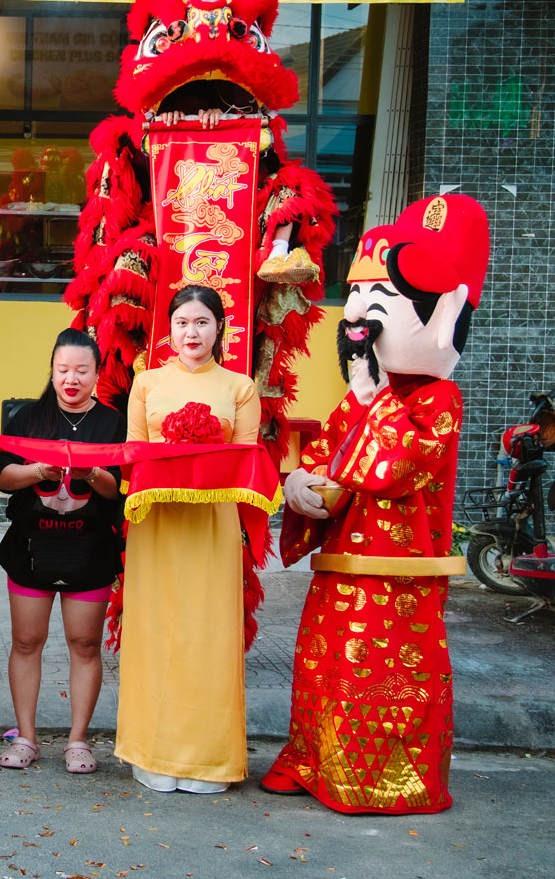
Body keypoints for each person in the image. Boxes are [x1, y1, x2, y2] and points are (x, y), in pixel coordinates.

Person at [262, 194, 489, 814]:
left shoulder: (438, 400)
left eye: (379, 307)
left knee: (383, 680)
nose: (360, 325)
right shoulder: (357, 400)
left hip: (399, 575)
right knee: (324, 670)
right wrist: (299, 487)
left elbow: (395, 468)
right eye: (357, 307)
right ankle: (313, 761)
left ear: (443, 318)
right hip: (341, 567)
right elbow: (325, 455)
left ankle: (382, 779)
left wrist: (371, 393)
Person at [118, 284, 259, 794]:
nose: (191, 332)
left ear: (220, 327)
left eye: (202, 322)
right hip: (156, 523)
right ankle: (152, 750)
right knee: (154, 631)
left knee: (208, 633)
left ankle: (208, 757)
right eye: (181, 323)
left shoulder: (240, 387)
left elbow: (247, 462)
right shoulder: (147, 384)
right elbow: (133, 456)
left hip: (212, 525)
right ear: (168, 330)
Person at [0, 329, 124, 774]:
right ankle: (26, 737)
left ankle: (78, 740)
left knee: (85, 644)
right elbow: (3, 478)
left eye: (82, 371)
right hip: (32, 545)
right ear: (51, 369)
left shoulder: (112, 421)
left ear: (97, 373)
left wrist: (89, 474)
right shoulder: (27, 417)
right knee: (27, 641)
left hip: (91, 548)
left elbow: (118, 489)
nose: (71, 379)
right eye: (63, 370)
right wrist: (35, 471)